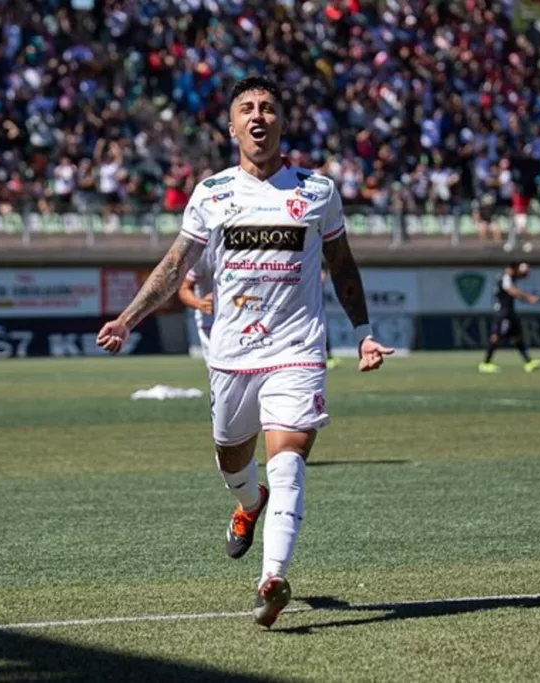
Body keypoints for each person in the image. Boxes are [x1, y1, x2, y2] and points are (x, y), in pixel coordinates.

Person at [96, 76, 393, 628]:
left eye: (269, 108)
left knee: (290, 461)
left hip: (297, 351)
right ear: (232, 127)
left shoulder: (317, 192)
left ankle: (272, 578)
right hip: (231, 355)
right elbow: (174, 267)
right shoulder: (212, 193)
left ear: (282, 123)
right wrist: (128, 317)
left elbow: (343, 267)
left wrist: (364, 331)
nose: (258, 116)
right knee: (232, 457)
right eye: (247, 109)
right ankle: (247, 502)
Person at [478, 262, 540, 373]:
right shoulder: (506, 277)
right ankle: (486, 363)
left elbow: (514, 290)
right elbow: (511, 291)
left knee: (517, 336)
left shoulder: (510, 277)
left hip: (509, 311)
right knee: (496, 336)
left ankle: (528, 362)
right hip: (503, 312)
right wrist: (528, 297)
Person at [177, 246, 215, 360]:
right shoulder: (202, 254)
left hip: (244, 315)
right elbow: (184, 288)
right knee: (219, 368)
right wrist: (200, 304)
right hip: (210, 318)